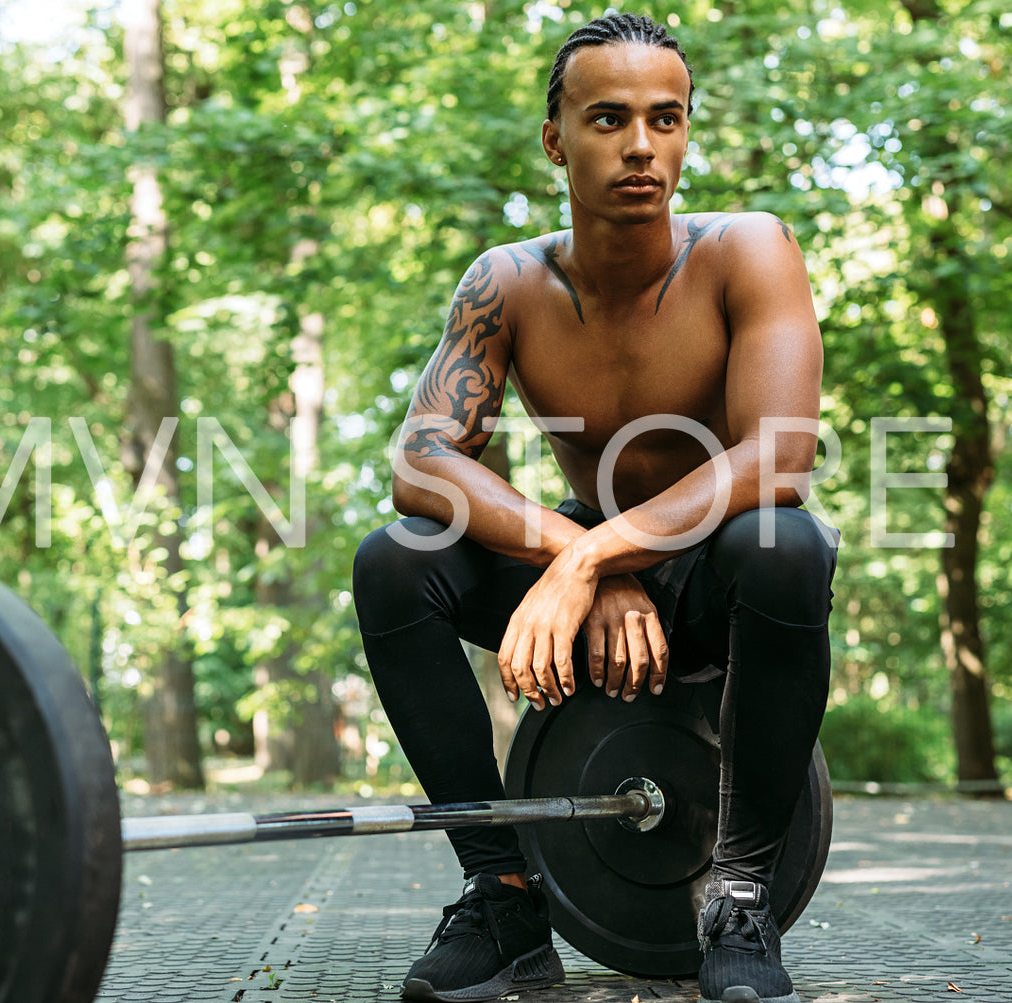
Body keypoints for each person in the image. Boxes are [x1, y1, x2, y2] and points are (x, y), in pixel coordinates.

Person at [351, 12, 837, 1003]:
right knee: (394, 559)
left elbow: (778, 455)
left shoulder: (749, 252)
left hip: (712, 574)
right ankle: (502, 894)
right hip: (586, 555)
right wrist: (584, 560)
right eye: (607, 119)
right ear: (554, 139)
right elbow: (421, 456)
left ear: (686, 130)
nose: (640, 147)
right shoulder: (507, 282)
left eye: (665, 119)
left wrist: (589, 557)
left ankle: (737, 896)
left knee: (786, 542)